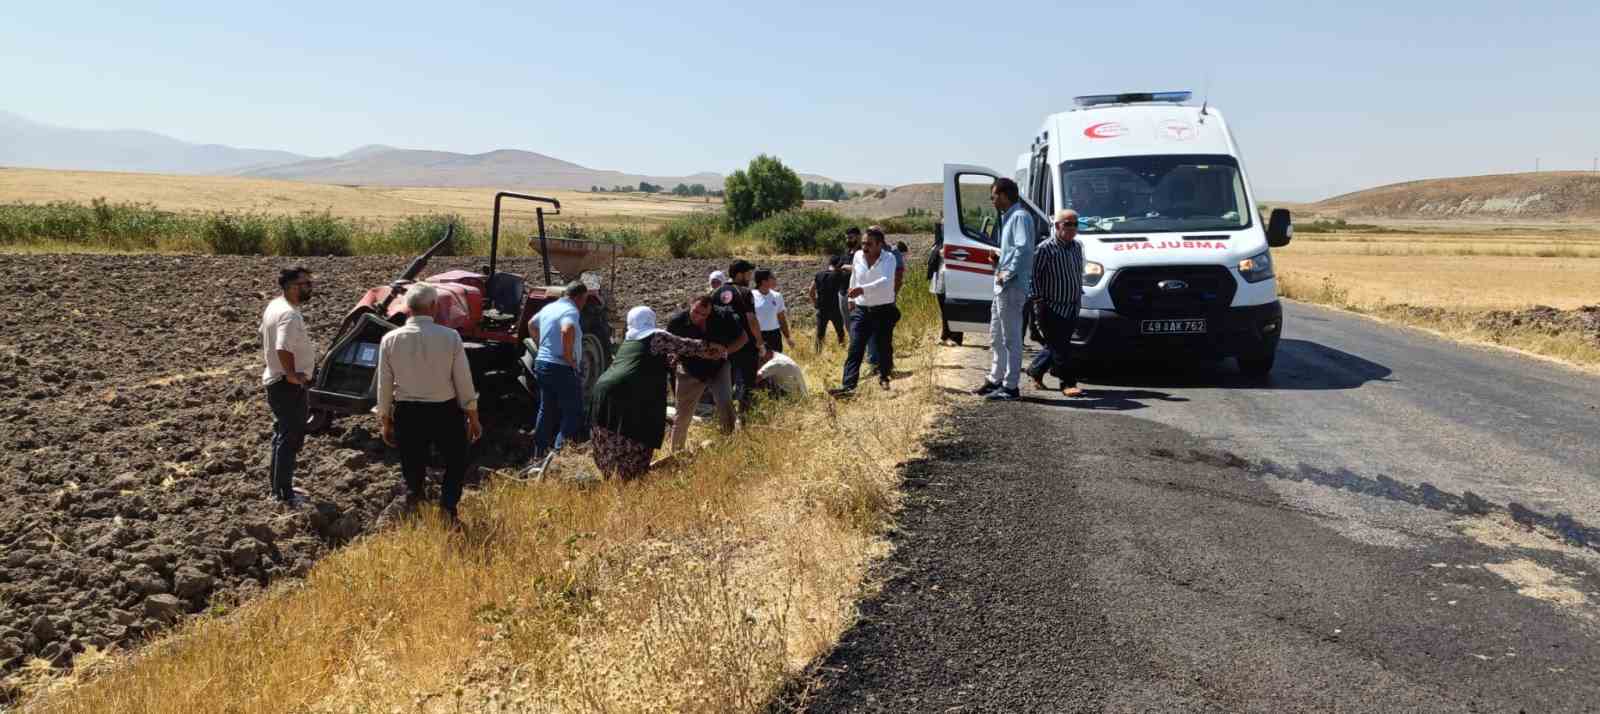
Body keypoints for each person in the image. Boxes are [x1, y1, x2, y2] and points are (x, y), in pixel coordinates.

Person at [375, 283, 482, 522]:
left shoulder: (390, 339)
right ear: (434, 306)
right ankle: (447, 508)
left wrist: (385, 419)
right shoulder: (450, 337)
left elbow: (383, 385)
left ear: (407, 307)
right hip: (444, 411)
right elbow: (463, 381)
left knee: (412, 464)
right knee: (456, 460)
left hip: (407, 412)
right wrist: (473, 417)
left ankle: (417, 504)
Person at [590, 306, 724, 480]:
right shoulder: (656, 336)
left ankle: (615, 481)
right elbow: (686, 345)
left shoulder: (630, 340)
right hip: (628, 394)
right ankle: (631, 479)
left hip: (603, 391)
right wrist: (713, 348)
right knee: (635, 436)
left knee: (611, 439)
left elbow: (649, 361)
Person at [974, 177, 1036, 401]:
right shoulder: (1009, 218)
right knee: (996, 336)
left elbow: (1023, 249)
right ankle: (995, 380)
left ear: (1003, 195)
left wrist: (1006, 273)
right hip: (1003, 286)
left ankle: (1011, 386)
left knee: (1011, 338)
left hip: (1011, 287)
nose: (992, 201)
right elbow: (1014, 252)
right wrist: (999, 262)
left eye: (993, 196)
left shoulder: (1019, 217)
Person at [260, 266, 315, 508]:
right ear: (290, 287)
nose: (309, 288)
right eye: (305, 284)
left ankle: (280, 486)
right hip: (286, 385)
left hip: (276, 381)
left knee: (281, 436)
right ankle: (284, 495)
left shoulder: (275, 305)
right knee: (289, 439)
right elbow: (282, 347)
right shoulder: (289, 315)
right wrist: (292, 375)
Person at [667, 294, 748, 451]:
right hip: (690, 370)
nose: (699, 317)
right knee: (682, 415)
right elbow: (670, 347)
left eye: (704, 314)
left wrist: (725, 351)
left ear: (711, 312)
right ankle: (676, 453)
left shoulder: (724, 317)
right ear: (690, 305)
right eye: (696, 312)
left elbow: (743, 338)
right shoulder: (677, 322)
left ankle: (729, 445)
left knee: (725, 404)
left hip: (718, 367)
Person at [832, 227, 900, 395]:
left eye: (868, 244)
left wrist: (862, 289)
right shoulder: (857, 256)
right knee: (855, 347)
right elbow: (854, 276)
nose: (864, 247)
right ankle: (848, 387)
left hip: (883, 310)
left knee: (883, 346)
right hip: (861, 310)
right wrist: (850, 298)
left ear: (879, 245)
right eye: (863, 243)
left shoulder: (889, 258)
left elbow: (885, 282)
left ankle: (884, 376)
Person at [1028, 209, 1086, 397]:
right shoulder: (1045, 248)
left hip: (1072, 305)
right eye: (1067, 224)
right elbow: (1033, 275)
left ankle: (1035, 370)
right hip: (1050, 306)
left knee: (1057, 344)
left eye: (1075, 224)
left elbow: (1077, 273)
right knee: (1061, 347)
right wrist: (1038, 300)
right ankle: (1067, 382)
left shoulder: (1077, 247)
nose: (1072, 228)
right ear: (1057, 225)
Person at [527, 282, 589, 458]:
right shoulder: (571, 311)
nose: (583, 305)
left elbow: (532, 324)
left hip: (542, 364)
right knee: (573, 411)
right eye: (584, 300)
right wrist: (569, 359)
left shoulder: (550, 308)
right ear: (579, 298)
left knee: (546, 409)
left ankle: (539, 454)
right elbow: (567, 329)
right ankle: (559, 454)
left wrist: (542, 346)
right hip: (561, 367)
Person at [712, 259, 767, 415]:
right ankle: (744, 419)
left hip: (723, 348)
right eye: (748, 274)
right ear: (739, 275)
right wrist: (760, 343)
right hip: (745, 346)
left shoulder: (715, 293)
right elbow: (751, 319)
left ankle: (725, 416)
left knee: (725, 384)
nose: (750, 278)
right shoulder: (744, 292)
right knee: (746, 383)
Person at [926, 225, 962, 345]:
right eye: (942, 227)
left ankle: (955, 337)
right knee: (944, 310)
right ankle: (945, 336)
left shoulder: (957, 241)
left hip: (952, 278)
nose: (942, 229)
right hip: (941, 279)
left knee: (954, 309)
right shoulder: (939, 243)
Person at [808, 255, 847, 352]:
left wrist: (815, 303)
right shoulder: (839, 275)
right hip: (835, 309)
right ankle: (842, 351)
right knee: (840, 333)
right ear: (839, 265)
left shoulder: (819, 275)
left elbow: (811, 291)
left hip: (822, 309)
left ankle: (817, 353)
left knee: (820, 334)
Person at [751, 269, 791, 355]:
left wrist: (788, 337)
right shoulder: (751, 295)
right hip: (758, 335)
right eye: (772, 277)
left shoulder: (777, 296)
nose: (775, 279)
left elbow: (781, 318)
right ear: (764, 281)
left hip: (774, 335)